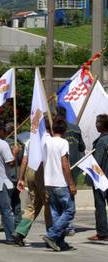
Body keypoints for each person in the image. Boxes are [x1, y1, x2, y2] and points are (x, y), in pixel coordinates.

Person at [13, 119, 52, 247]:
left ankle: (20, 232)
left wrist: (21, 178)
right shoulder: (49, 140)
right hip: (42, 171)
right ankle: (52, 236)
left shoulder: (31, 140)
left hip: (30, 170)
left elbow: (24, 160)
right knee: (49, 204)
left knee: (32, 205)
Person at [42, 118, 77, 252]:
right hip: (60, 182)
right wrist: (71, 183)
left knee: (56, 212)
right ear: (64, 130)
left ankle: (60, 242)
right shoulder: (63, 142)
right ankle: (51, 236)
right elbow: (65, 164)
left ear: (52, 129)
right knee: (69, 210)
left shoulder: (46, 142)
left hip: (49, 181)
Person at [56, 106, 85, 236]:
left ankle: (66, 225)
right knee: (70, 194)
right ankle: (66, 224)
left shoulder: (57, 129)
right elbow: (82, 147)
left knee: (61, 196)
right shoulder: (76, 128)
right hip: (75, 165)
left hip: (62, 165)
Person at [0, 122, 22, 232]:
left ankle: (4, 222)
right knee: (16, 201)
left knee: (6, 201)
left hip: (8, 176)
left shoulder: (4, 144)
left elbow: (7, 161)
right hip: (18, 174)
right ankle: (18, 222)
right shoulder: (21, 144)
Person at [87, 114, 108, 241]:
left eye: (97, 122)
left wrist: (90, 178)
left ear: (102, 125)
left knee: (100, 205)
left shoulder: (101, 141)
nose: (95, 124)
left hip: (101, 178)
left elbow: (97, 163)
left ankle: (102, 232)